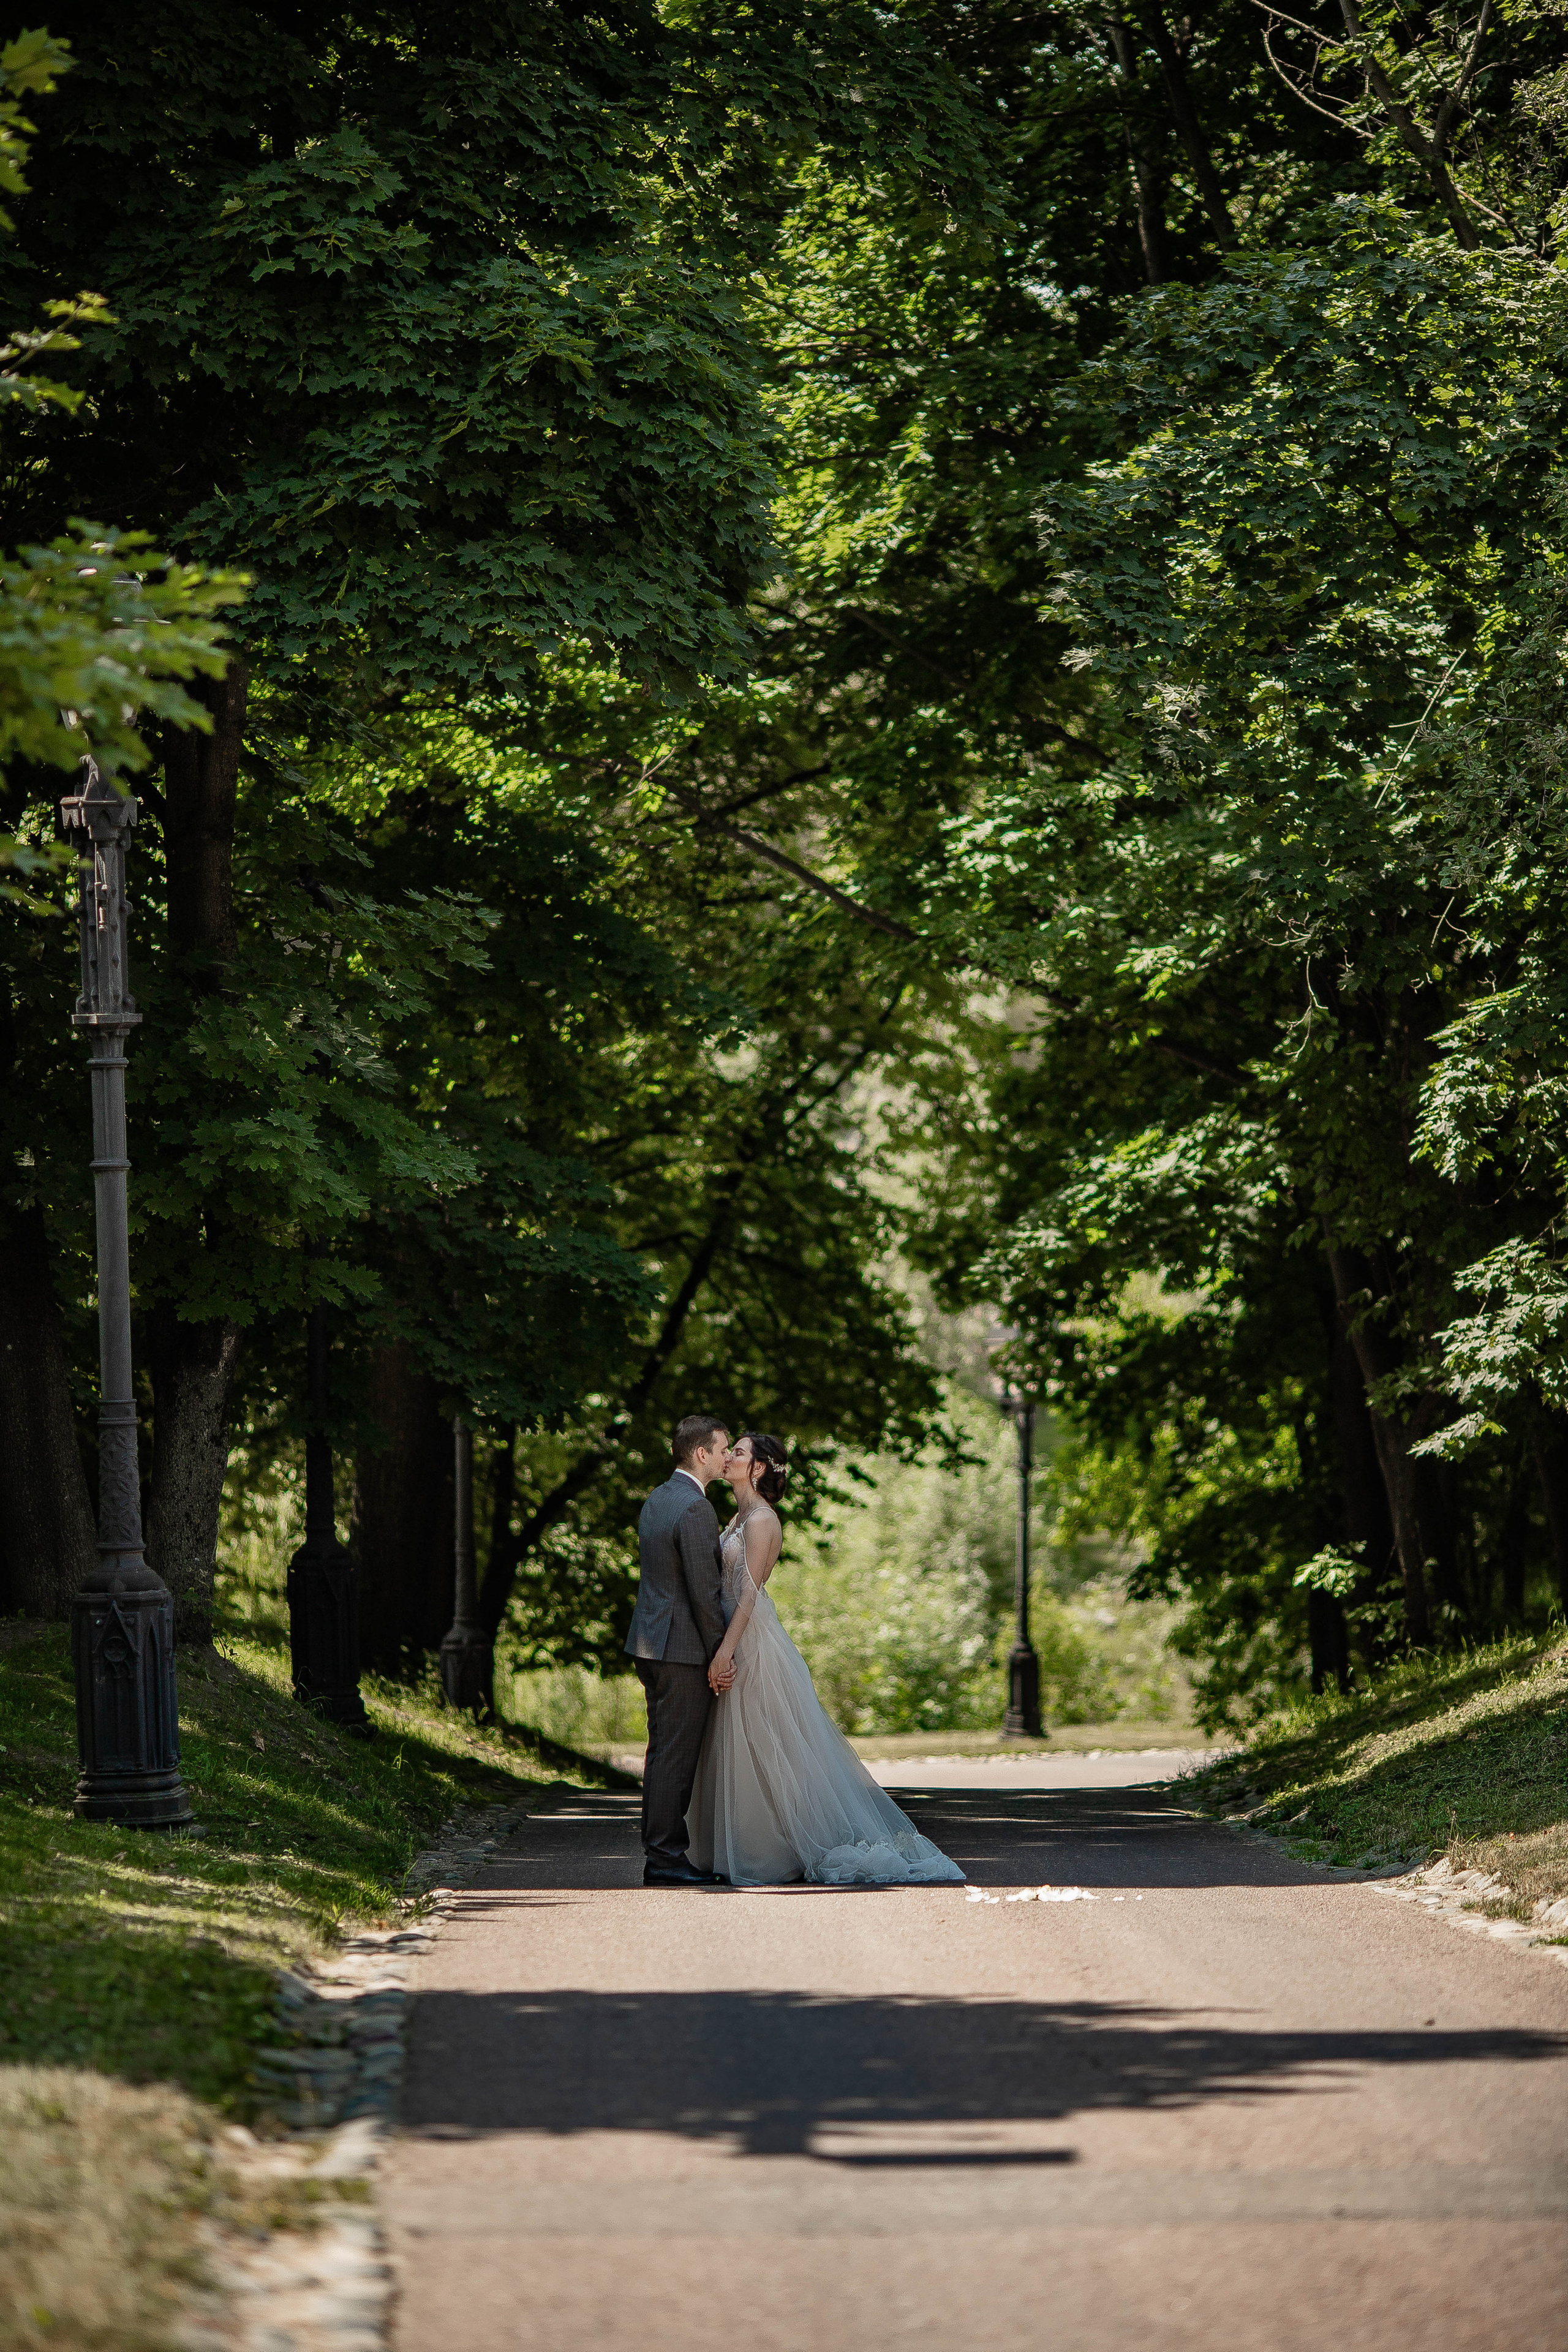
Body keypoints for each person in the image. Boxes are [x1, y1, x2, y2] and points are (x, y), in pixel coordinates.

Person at [686, 1432, 965, 1888]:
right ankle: (739, 1848)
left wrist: (725, 1651)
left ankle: (770, 1853)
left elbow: (749, 1595)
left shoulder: (762, 1520)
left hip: (750, 1641)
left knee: (766, 1743)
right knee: (740, 1746)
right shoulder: (739, 1516)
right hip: (734, 1634)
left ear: (758, 1468)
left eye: (739, 1452)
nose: (729, 1457)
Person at [625, 1413, 734, 1886]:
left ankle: (661, 1854)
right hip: (682, 1650)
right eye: (723, 1449)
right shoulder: (695, 1508)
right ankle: (665, 1860)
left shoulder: (658, 1498)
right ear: (702, 1453)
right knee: (674, 1757)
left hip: (651, 1643)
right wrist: (720, 1654)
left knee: (661, 1753)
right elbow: (704, 1592)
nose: (728, 1456)